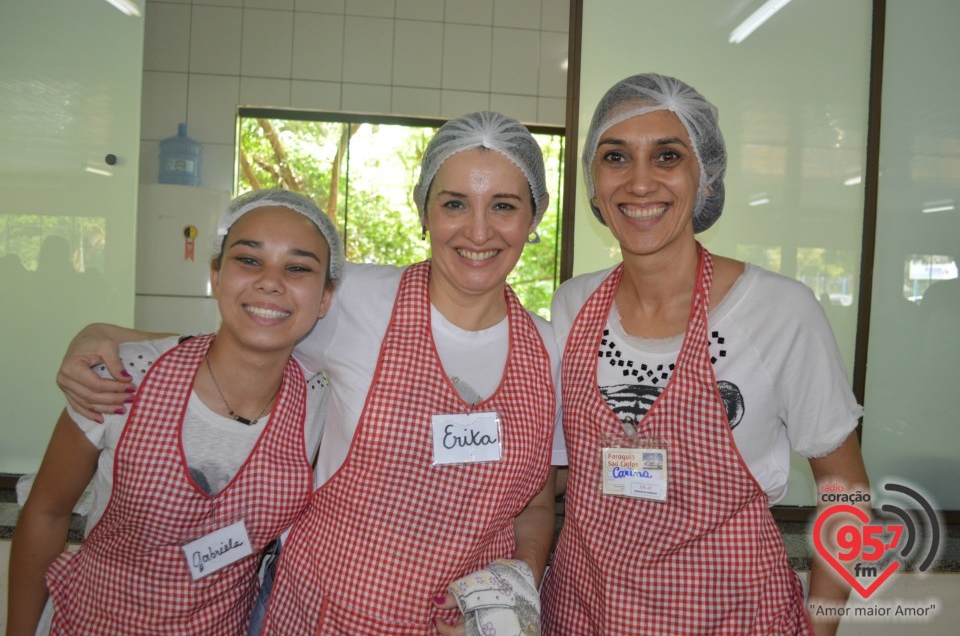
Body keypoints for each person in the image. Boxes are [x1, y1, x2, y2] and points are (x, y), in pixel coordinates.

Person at [52, 111, 562, 636]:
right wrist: (102, 333)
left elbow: (536, 506)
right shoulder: (356, 301)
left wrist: (513, 586)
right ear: (424, 211)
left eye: (503, 206)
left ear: (534, 216)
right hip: (322, 613)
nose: (478, 231)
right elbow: (246, 329)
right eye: (454, 203)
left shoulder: (548, 347)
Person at [539, 74, 869, 636]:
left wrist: (822, 626)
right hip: (586, 614)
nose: (639, 183)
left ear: (705, 177)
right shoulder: (574, 304)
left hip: (735, 618)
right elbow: (563, 473)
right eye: (616, 157)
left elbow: (850, 491)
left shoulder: (780, 311)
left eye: (667, 156)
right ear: (594, 184)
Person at [8, 189, 343, 635]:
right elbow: (46, 513)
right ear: (216, 275)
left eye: (298, 268)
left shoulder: (321, 402)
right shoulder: (124, 377)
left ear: (324, 298)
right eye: (248, 260)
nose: (270, 281)